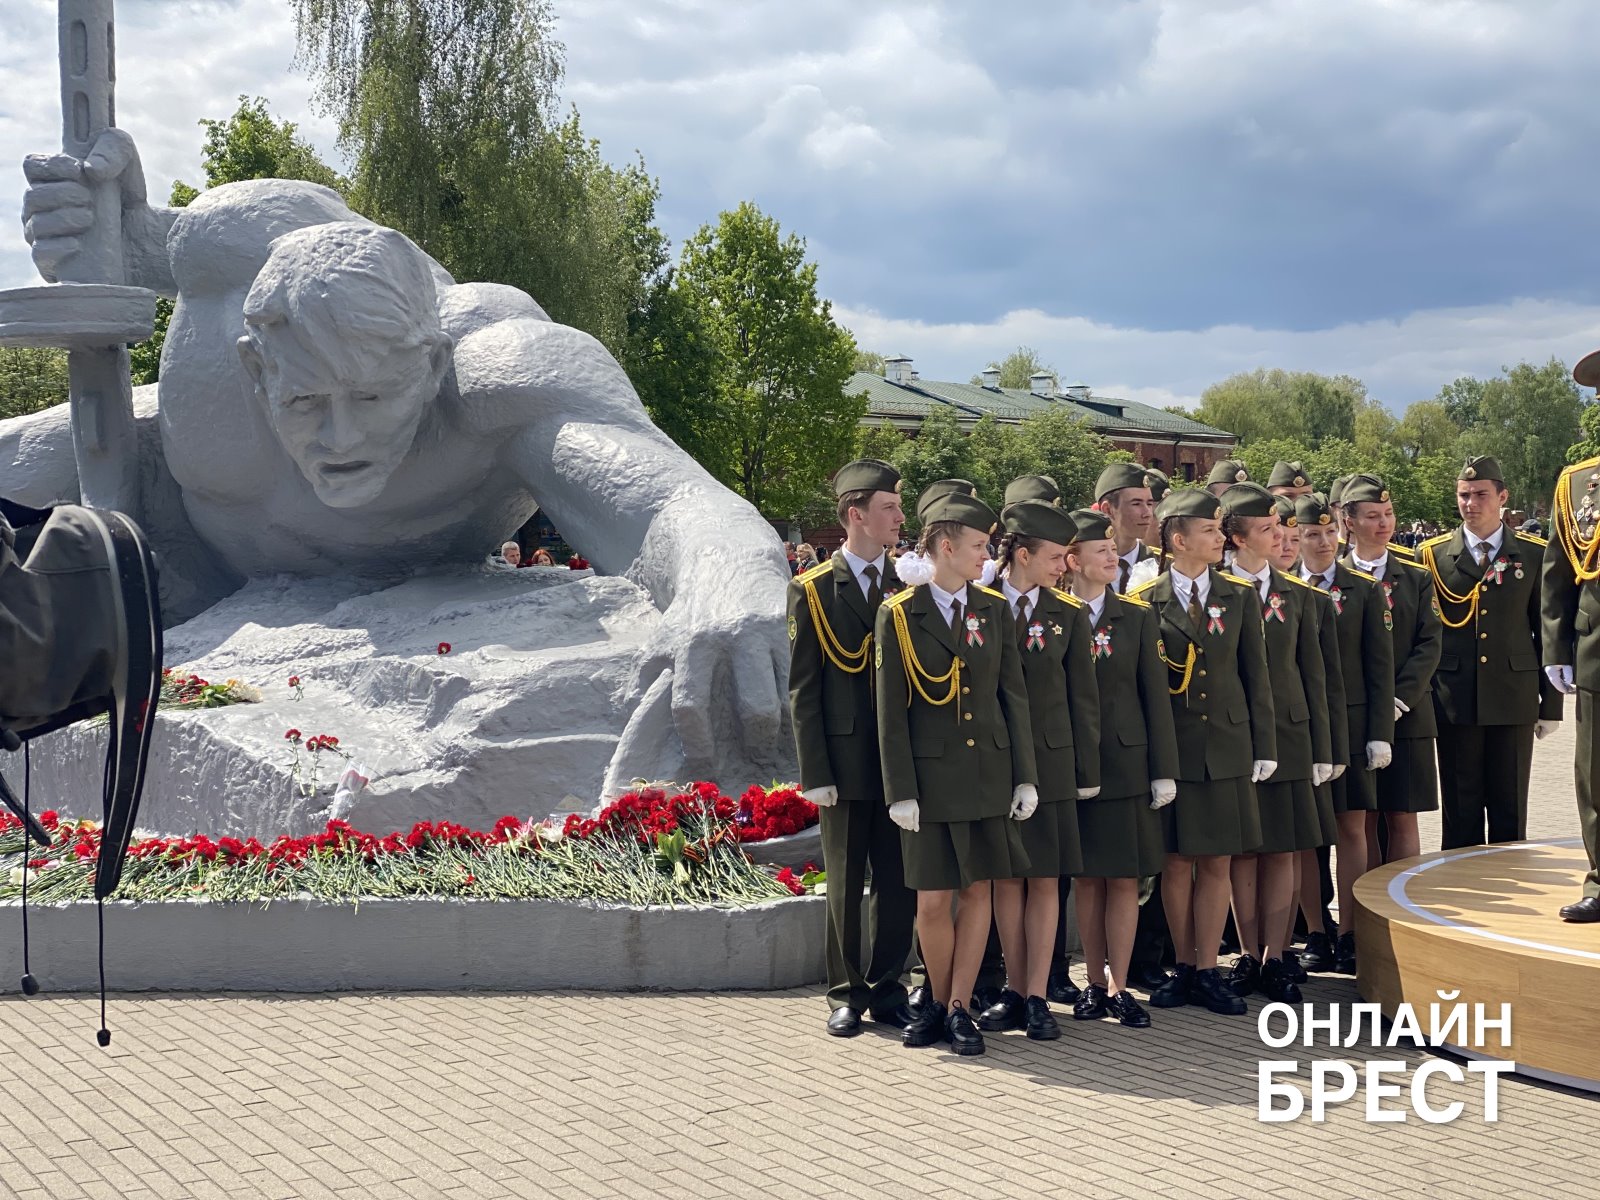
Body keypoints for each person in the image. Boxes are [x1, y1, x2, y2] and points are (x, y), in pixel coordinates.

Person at [877, 491, 1038, 1056]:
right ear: (946, 546)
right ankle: (939, 998)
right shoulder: (900, 613)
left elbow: (1012, 695)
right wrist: (899, 789)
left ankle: (959, 1007)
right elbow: (890, 709)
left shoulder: (993, 609)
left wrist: (1025, 776)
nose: (985, 555)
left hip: (987, 772)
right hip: (929, 780)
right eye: (976, 545)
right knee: (931, 901)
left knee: (978, 893)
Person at [1131, 489, 1276, 1015]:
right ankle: (1185, 966)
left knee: (1216, 860)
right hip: (1175, 749)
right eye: (1210, 531)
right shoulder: (1148, 600)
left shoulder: (1238, 595)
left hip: (1226, 744)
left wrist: (1263, 743)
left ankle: (1209, 966)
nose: (1220, 539)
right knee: (1174, 862)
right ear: (1178, 539)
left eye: (1220, 530)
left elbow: (1254, 675)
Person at [788, 459, 917, 1036]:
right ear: (855, 514)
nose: (899, 516)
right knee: (843, 880)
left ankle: (891, 986)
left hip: (902, 763)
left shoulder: (910, 586)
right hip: (842, 760)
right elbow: (804, 686)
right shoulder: (813, 590)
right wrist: (814, 768)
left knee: (899, 878)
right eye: (889, 507)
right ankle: (846, 991)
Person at [978, 500, 1100, 1041]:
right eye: (1055, 557)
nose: (1063, 567)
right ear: (1022, 554)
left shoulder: (1068, 614)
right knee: (1007, 878)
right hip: (998, 760)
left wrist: (1085, 769)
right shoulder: (979, 607)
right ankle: (1010, 986)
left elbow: (1083, 698)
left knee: (1046, 879)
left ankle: (1036, 995)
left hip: (1051, 763)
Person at [1217, 484, 1333, 1004]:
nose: (1279, 537)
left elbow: (1317, 678)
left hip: (1289, 735)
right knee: (1242, 851)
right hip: (1233, 735)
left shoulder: (1301, 597)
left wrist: (1325, 750)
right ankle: (1246, 954)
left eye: (1279, 528)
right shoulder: (1213, 592)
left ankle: (1278, 954)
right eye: (1266, 529)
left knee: (1284, 849)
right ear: (1237, 538)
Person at [1065, 509, 1180, 1028]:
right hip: (1073, 768)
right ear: (1072, 560)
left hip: (1128, 763)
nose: (1114, 557)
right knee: (1088, 881)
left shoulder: (1135, 616)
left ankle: (1120, 984)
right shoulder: (1051, 614)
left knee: (1125, 881)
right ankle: (1091, 983)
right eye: (1101, 551)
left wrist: (1163, 769)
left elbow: (1156, 697)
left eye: (1114, 550)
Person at [1421, 457, 1561, 850]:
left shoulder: (1533, 554)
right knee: (1460, 810)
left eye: (1481, 494)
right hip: (1454, 697)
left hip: (1513, 696)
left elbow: (1545, 629)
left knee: (1509, 809)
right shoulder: (1432, 556)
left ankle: (1510, 889)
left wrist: (1551, 704)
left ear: (1502, 497)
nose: (1471, 503)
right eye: (1464, 495)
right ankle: (1462, 892)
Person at [1294, 493, 1392, 974]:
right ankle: (1316, 931)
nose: (1324, 541)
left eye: (1331, 531)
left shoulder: (1364, 590)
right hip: (1300, 729)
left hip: (1350, 726)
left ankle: (1351, 930)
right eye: (1313, 534)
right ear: (1296, 537)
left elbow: (1380, 670)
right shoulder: (1281, 589)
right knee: (1307, 839)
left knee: (1353, 828)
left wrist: (1379, 732)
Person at [1341, 475, 1441, 919]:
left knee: (1402, 814)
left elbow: (1429, 644)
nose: (1383, 524)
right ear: (1349, 522)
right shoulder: (1332, 578)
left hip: (1408, 715)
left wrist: (1399, 699)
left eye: (1388, 515)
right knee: (1359, 819)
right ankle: (1359, 919)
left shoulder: (1414, 577)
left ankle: (1401, 914)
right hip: (1353, 716)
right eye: (1372, 517)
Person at [1541, 382, 1600, 920]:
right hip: (1597, 650)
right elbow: (1558, 572)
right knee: (1596, 774)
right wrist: (1557, 645)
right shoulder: (1579, 482)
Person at [1093, 463, 1157, 594]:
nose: (1147, 513)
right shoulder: (1082, 565)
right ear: (1108, 509)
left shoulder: (1162, 566)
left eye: (1149, 503)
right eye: (1136, 504)